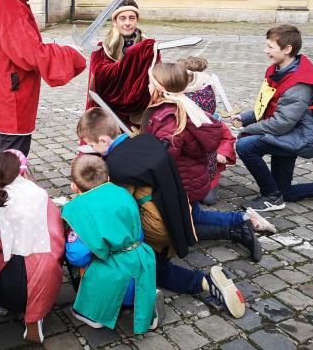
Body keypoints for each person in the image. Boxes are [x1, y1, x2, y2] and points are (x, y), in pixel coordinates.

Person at [76, 108, 246, 319]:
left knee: (148, 266)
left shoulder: (116, 165)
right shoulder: (144, 140)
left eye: (91, 145)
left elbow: (119, 211)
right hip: (178, 211)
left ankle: (205, 283)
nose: (91, 149)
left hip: (158, 227)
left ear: (102, 140)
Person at [143, 62, 273, 262]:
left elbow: (161, 159)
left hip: (182, 184)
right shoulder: (183, 105)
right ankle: (242, 220)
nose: (147, 86)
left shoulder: (170, 119)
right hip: (190, 180)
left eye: (150, 82)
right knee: (194, 217)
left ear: (159, 87)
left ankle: (239, 227)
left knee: (184, 226)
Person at [0, 0, 86, 156]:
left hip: (10, 87)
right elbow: (31, 54)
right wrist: (70, 53)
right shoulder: (9, 4)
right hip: (13, 92)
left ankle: (12, 179)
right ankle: (9, 185)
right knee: (13, 153)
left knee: (13, 149)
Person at [63, 154, 161, 334]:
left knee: (88, 266)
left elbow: (77, 256)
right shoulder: (122, 193)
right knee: (136, 285)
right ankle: (146, 302)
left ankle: (95, 314)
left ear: (74, 187)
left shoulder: (78, 209)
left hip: (114, 279)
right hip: (142, 266)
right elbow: (138, 233)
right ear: (108, 178)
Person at [234, 25, 313, 212]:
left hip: (296, 136)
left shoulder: (300, 83)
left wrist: (245, 130)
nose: (265, 50)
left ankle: (271, 197)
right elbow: (268, 104)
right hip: (286, 132)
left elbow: (281, 123)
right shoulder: (280, 69)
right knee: (286, 192)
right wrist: (244, 117)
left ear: (287, 49)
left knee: (244, 145)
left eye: (270, 47)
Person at [0, 150, 64, 343]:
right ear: (22, 172)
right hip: (41, 281)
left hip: (4, 281)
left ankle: (3, 305)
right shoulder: (39, 195)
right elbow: (56, 235)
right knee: (46, 261)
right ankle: (36, 316)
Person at [86, 0, 159, 129]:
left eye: (132, 18)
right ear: (115, 21)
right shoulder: (102, 49)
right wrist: (131, 59)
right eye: (122, 18)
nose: (127, 23)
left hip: (139, 110)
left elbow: (156, 78)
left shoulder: (149, 48)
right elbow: (98, 80)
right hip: (109, 109)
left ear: (137, 20)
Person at [177, 56, 236, 205]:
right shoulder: (179, 116)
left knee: (208, 199)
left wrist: (222, 152)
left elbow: (227, 137)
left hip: (208, 164)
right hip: (189, 167)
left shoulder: (212, 122)